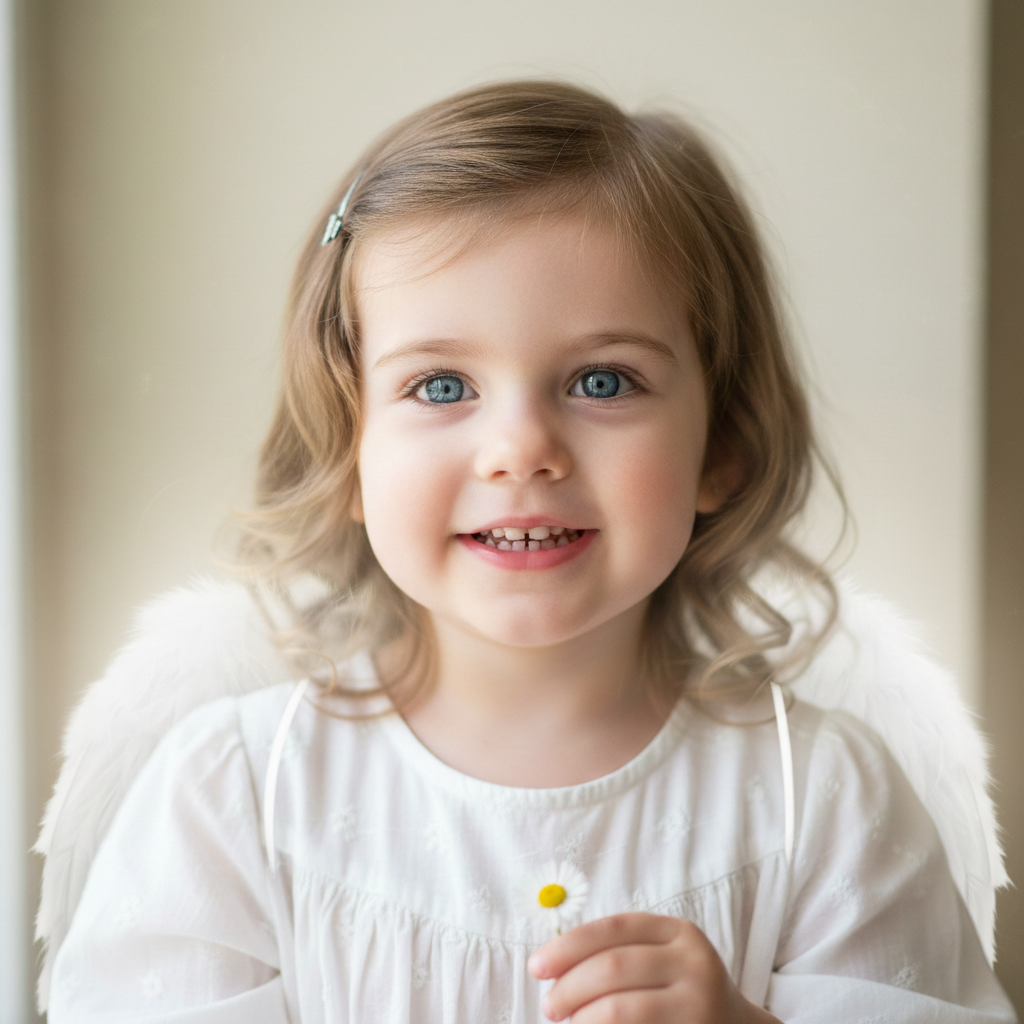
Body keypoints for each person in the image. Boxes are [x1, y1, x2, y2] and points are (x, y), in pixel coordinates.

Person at [40, 80, 1015, 1022]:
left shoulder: (827, 802)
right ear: (348, 452)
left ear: (721, 446)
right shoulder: (234, 792)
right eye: (438, 386)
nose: (521, 451)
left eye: (600, 381)